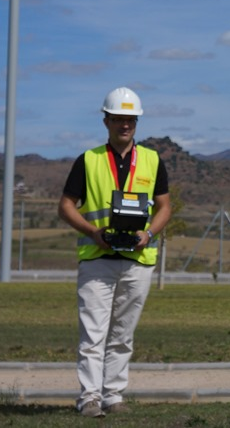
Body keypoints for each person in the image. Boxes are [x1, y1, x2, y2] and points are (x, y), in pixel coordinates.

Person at [58, 86, 171, 418]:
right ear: (106, 120)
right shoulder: (89, 160)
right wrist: (93, 232)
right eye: (119, 119)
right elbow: (66, 206)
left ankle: (113, 396)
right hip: (98, 260)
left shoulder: (151, 160)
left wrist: (149, 233)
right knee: (93, 334)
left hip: (137, 261)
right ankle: (89, 398)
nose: (126, 125)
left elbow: (165, 206)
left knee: (123, 335)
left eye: (131, 119)